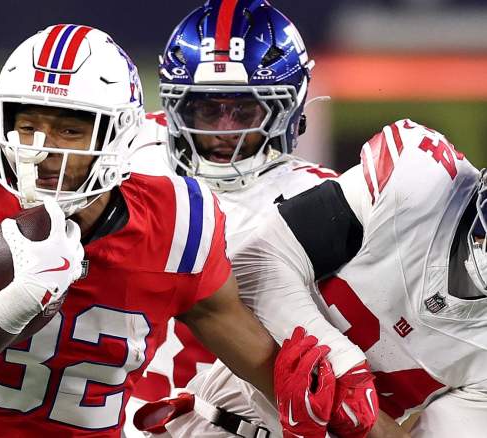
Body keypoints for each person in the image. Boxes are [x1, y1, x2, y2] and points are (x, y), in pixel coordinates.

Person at [0, 24, 280, 437]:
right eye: (27, 126)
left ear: (118, 136)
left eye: (69, 131)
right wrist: (18, 300)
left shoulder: (178, 223)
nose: (42, 150)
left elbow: (267, 370)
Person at [150, 119, 487, 437]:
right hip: (218, 420)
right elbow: (254, 262)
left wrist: (339, 423)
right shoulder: (423, 179)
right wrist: (343, 370)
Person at [123, 1, 345, 436]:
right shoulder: (129, 154)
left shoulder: (322, 201)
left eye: (244, 111)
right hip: (111, 417)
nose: (226, 129)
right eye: (208, 110)